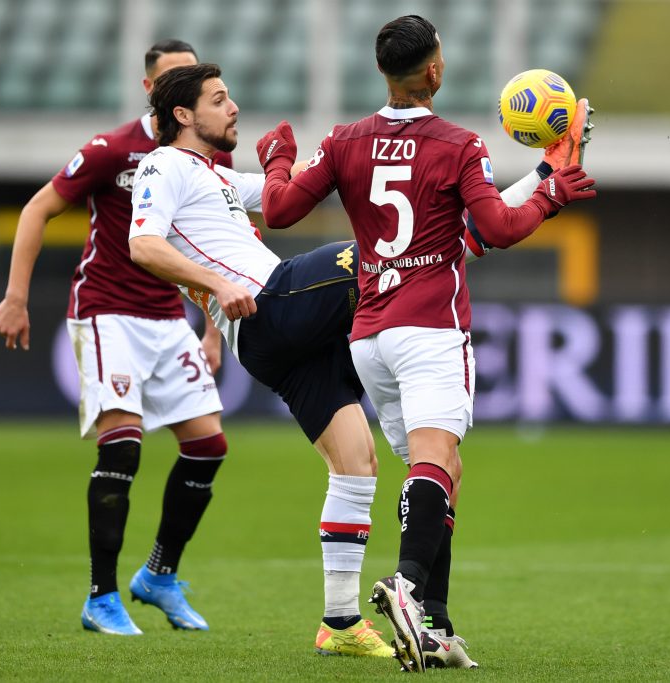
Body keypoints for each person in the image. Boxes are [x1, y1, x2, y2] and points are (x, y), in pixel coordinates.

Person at [255, 15, 597, 672]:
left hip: (369, 337)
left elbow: (279, 211)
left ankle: (436, 625)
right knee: (436, 461)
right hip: (430, 329)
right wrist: (551, 192)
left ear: (384, 71)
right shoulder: (459, 144)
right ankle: (408, 590)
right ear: (435, 70)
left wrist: (274, 159)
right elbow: (493, 228)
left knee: (439, 471)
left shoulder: (343, 141)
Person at [126, 62, 395, 658]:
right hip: (270, 307)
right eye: (220, 100)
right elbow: (143, 243)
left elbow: (287, 191)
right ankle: (523, 200)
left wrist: (286, 162)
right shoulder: (162, 165)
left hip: (276, 344)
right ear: (183, 116)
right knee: (385, 254)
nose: (234, 107)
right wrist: (217, 289)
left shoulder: (213, 176)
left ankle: (341, 623)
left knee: (357, 463)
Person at [0, 40, 233, 637]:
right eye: (179, 79)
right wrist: (16, 296)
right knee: (122, 446)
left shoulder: (211, 160)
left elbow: (209, 247)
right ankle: (100, 597)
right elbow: (37, 210)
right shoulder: (111, 150)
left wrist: (211, 328)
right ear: (153, 90)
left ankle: (158, 576)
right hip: (106, 313)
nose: (192, 88)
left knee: (209, 447)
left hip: (167, 317)